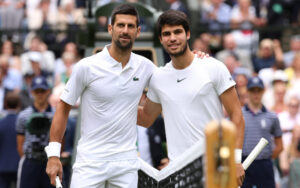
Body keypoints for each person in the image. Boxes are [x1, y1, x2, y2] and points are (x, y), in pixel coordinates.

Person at [45, 4, 208, 187]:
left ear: (137, 31)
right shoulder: (86, 66)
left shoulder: (146, 67)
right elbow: (63, 108)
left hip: (126, 165)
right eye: (120, 25)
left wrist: (194, 59)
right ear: (110, 29)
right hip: (89, 163)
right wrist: (53, 154)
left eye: (130, 26)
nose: (125, 30)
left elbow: (174, 77)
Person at [137, 10, 245, 186]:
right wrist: (110, 105)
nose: (172, 38)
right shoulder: (158, 78)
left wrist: (235, 160)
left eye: (177, 32)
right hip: (179, 174)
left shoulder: (213, 67)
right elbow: (146, 118)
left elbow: (237, 115)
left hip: (216, 169)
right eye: (167, 34)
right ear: (161, 39)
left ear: (187, 34)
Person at [241, 76, 283, 188]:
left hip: (264, 164)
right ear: (247, 92)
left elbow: (280, 145)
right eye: (253, 91)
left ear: (263, 91)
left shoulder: (272, 116)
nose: (256, 94)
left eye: (258, 91)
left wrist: (267, 157)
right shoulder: (239, 115)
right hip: (244, 164)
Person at [16, 76, 55, 188]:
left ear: (48, 91)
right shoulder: (23, 116)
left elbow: (61, 140)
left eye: (42, 91)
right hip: (30, 162)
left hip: (49, 161)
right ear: (32, 92)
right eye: (37, 91)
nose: (40, 94)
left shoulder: (55, 115)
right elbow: (20, 144)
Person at [0, 92, 21, 188]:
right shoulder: (22, 123)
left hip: (2, 166)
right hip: (19, 166)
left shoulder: (1, 123)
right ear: (19, 104)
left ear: (5, 104)